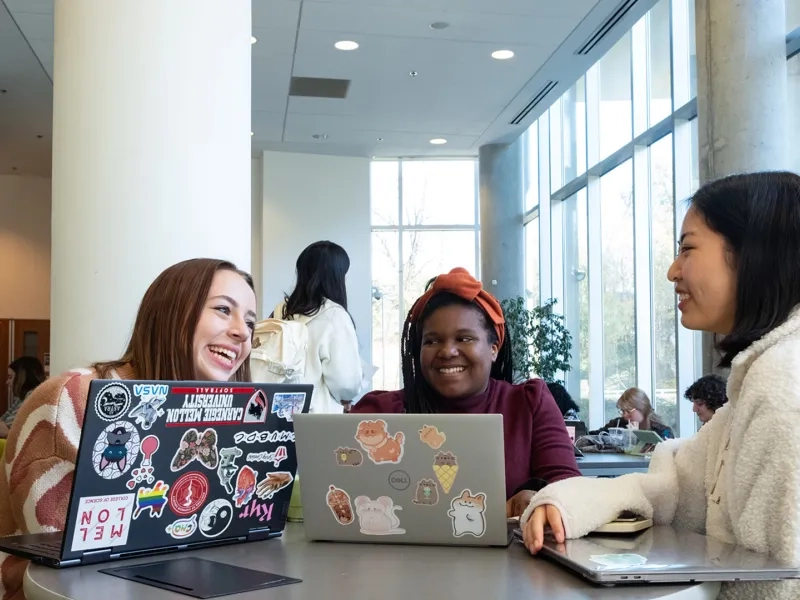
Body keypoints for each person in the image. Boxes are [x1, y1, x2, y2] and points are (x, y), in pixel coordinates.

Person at [521, 171, 800, 600]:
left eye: (687, 248)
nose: (673, 271)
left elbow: (777, 581)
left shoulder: (784, 383)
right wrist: (563, 505)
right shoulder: (757, 381)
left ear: (755, 254)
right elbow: (669, 487)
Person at [0, 258, 256, 600]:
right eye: (224, 309)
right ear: (172, 313)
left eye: (251, 323)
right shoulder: (72, 399)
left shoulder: (216, 418)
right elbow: (60, 559)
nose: (243, 332)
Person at [352, 268, 581, 518]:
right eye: (431, 341)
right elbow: (344, 491)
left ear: (493, 348)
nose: (447, 351)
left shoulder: (528, 404)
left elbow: (569, 490)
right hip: (395, 556)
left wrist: (544, 501)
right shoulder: (380, 413)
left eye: (464, 339)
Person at [268, 241, 362, 414]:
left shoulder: (279, 311)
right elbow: (346, 382)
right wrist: (347, 396)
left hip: (277, 413)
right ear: (336, 276)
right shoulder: (334, 314)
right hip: (318, 418)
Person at [1, 356, 45, 439]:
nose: (7, 382)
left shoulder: (33, 397)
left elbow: (7, 429)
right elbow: (2, 422)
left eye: (10, 377)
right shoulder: (20, 398)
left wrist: (7, 432)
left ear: (22, 377)